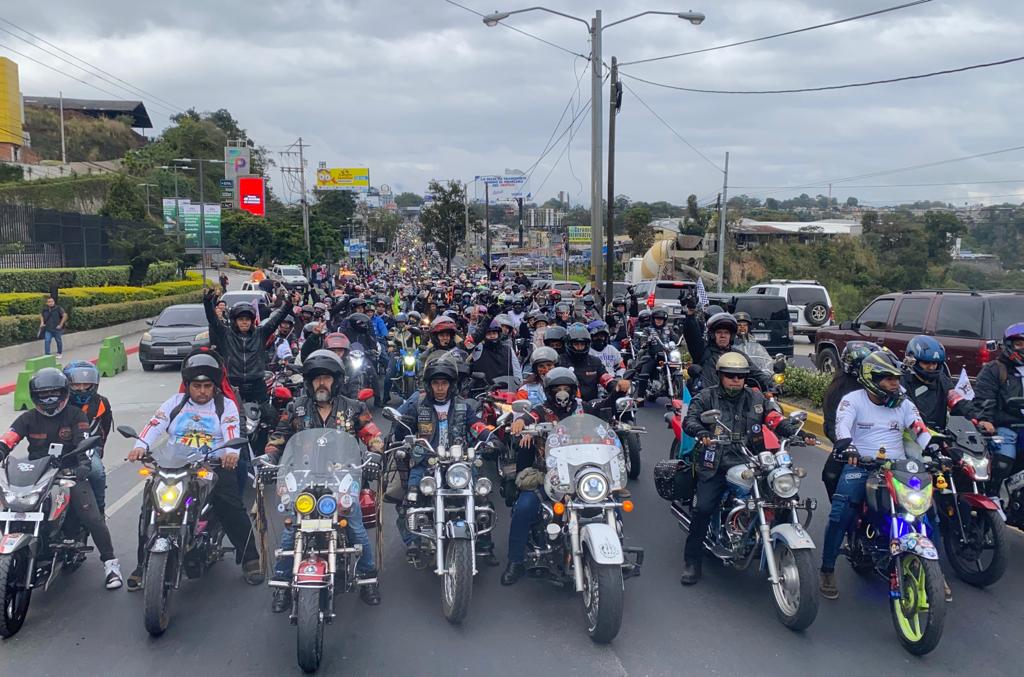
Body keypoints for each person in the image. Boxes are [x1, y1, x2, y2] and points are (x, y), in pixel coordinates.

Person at [127, 353, 262, 591]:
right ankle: (142, 565)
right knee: (150, 508)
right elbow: (155, 424)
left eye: (207, 386)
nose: (202, 391)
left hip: (211, 467)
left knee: (230, 505)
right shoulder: (175, 403)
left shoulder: (225, 405)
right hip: (174, 466)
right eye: (196, 386)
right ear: (187, 385)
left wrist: (231, 452)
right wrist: (140, 446)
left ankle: (251, 558)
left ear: (214, 386)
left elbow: (232, 428)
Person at [679, 352, 814, 586]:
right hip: (717, 462)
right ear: (721, 376)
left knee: (784, 497)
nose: (735, 380)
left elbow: (774, 418)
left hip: (753, 459)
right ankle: (692, 561)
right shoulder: (706, 397)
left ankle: (777, 544)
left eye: (740, 376)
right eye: (730, 375)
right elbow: (690, 420)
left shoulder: (756, 398)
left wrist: (796, 431)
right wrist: (702, 433)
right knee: (703, 508)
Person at [264, 350, 383, 609]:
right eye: (316, 378)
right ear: (308, 382)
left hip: (343, 478)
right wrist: (269, 459)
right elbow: (278, 437)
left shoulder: (354, 408)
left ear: (336, 381)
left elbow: (372, 434)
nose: (321, 383)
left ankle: (367, 577)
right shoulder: (295, 408)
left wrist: (375, 454)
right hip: (304, 478)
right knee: (291, 530)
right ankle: (282, 584)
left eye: (326, 378)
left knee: (355, 527)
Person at [818, 349, 941, 601]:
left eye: (897, 378)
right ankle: (827, 569)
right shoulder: (852, 400)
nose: (895, 383)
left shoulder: (905, 403)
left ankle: (935, 575)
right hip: (861, 465)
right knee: (841, 513)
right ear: (871, 378)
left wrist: (936, 449)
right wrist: (847, 445)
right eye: (888, 378)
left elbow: (919, 429)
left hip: (898, 468)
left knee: (927, 514)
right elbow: (841, 425)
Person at [500, 367, 624, 585]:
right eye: (557, 389)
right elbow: (529, 417)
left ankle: (615, 555)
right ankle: (516, 561)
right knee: (524, 507)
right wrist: (521, 422)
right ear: (549, 391)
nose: (562, 393)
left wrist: (617, 394)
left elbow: (604, 410)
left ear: (574, 390)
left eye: (567, 389)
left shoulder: (582, 408)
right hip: (549, 475)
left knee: (612, 503)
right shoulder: (541, 410)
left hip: (582, 473)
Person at [0, 368, 122, 589]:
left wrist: (83, 465)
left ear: (64, 393)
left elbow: (83, 441)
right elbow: (8, 439)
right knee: (9, 505)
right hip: (37, 474)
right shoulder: (28, 418)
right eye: (43, 395)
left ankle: (111, 565)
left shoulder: (76, 415)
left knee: (92, 517)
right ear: (35, 396)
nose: (48, 399)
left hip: (68, 472)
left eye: (54, 394)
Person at [394, 359, 498, 563]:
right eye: (436, 383)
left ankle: (485, 544)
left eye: (444, 383)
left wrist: (490, 438)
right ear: (429, 385)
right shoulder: (417, 406)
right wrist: (401, 438)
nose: (440, 388)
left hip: (460, 464)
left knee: (482, 497)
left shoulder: (463, 407)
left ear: (452, 385)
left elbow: (477, 426)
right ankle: (412, 541)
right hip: (426, 463)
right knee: (410, 500)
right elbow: (401, 431)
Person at [203, 288, 288, 405]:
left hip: (257, 385)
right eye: (241, 319)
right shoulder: (226, 334)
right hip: (233, 384)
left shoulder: (260, 333)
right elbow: (212, 319)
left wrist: (289, 304)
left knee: (268, 416)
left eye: (247, 319)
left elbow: (277, 319)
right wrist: (208, 302)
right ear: (235, 321)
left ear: (252, 321)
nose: (244, 322)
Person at [820, 341, 879, 498]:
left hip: (886, 445)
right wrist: (846, 446)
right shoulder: (839, 392)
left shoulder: (889, 389)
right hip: (854, 448)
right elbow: (831, 425)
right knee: (830, 475)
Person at [974, 322, 1024, 495]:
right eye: (1019, 344)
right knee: (1004, 459)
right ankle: (994, 494)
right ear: (1009, 345)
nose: (1023, 349)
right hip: (1005, 426)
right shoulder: (995, 369)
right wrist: (986, 419)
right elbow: (983, 398)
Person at [63, 361, 112, 516]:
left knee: (97, 472)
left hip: (89, 448)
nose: (82, 389)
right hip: (62, 448)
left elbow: (105, 427)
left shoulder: (102, 403)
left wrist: (98, 449)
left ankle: (100, 508)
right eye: (77, 385)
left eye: (86, 384)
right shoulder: (61, 403)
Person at [681, 310, 772, 393]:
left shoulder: (738, 355)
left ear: (731, 336)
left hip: (734, 400)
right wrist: (691, 314)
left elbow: (755, 373)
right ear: (712, 335)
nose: (723, 336)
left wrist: (770, 384)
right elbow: (692, 337)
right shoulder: (703, 352)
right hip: (709, 401)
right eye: (719, 332)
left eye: (726, 333)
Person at [902, 335, 975, 430]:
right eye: (926, 363)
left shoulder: (941, 379)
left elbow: (956, 400)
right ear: (913, 361)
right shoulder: (902, 381)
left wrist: (976, 416)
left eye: (934, 363)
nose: (931, 367)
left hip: (938, 435)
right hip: (911, 435)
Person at [468, 319, 522, 386]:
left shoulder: (508, 350)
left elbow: (517, 371)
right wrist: (473, 323)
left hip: (506, 392)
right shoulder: (479, 349)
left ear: (498, 334)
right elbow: (471, 340)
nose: (492, 336)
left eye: (494, 333)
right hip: (482, 392)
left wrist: (519, 387)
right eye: (489, 334)